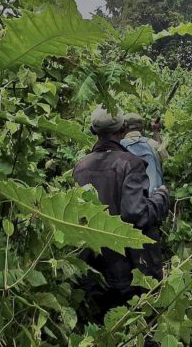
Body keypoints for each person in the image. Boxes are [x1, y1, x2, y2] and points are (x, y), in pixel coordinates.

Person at [73, 106, 170, 319]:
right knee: (140, 327)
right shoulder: (131, 164)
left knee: (104, 328)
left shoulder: (80, 167)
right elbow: (136, 214)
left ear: (93, 130)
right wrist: (160, 198)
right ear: (122, 128)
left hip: (94, 268)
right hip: (129, 267)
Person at [121, 113, 168, 196]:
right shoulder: (152, 144)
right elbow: (167, 161)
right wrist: (155, 132)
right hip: (155, 199)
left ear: (123, 128)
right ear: (141, 128)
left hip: (129, 202)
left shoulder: (118, 146)